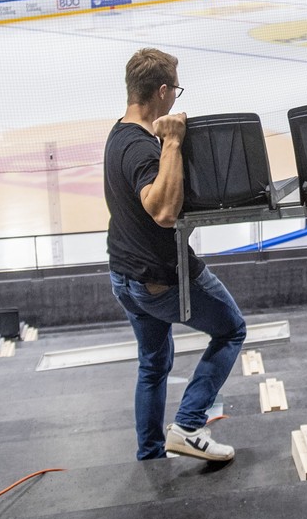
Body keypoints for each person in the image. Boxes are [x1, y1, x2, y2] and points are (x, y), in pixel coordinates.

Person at [105, 48, 246, 462]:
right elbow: (163, 211)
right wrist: (172, 141)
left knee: (153, 363)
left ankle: (150, 453)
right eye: (175, 92)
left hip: (125, 277)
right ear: (163, 92)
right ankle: (187, 425)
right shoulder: (141, 148)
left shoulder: (117, 134)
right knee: (231, 330)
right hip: (158, 279)